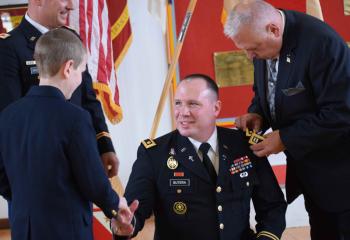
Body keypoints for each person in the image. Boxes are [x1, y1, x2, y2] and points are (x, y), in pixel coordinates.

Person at [224, 1, 350, 239]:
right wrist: (257, 113)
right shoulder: (260, 42)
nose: (250, 56)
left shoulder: (322, 43)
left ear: (273, 29)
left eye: (253, 49)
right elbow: (269, 90)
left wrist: (285, 138)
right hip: (312, 177)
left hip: (341, 176)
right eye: (245, 50)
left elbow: (341, 113)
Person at [0, 28, 137, 240]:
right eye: (82, 71)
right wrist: (115, 204)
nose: (82, 79)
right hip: (65, 230)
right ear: (68, 68)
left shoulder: (8, 116)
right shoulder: (76, 118)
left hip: (23, 229)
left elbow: (2, 176)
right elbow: (92, 180)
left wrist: (26, 201)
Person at [112, 74, 286, 240]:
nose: (183, 112)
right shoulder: (154, 154)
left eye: (193, 104)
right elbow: (135, 210)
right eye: (178, 103)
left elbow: (272, 206)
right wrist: (127, 225)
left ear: (216, 108)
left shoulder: (243, 146)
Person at [0, 0, 118, 178]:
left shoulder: (72, 39)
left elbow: (88, 99)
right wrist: (14, 187)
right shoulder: (9, 47)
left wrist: (104, 145)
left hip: (81, 166)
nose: (71, 5)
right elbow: (8, 122)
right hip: (37, 175)